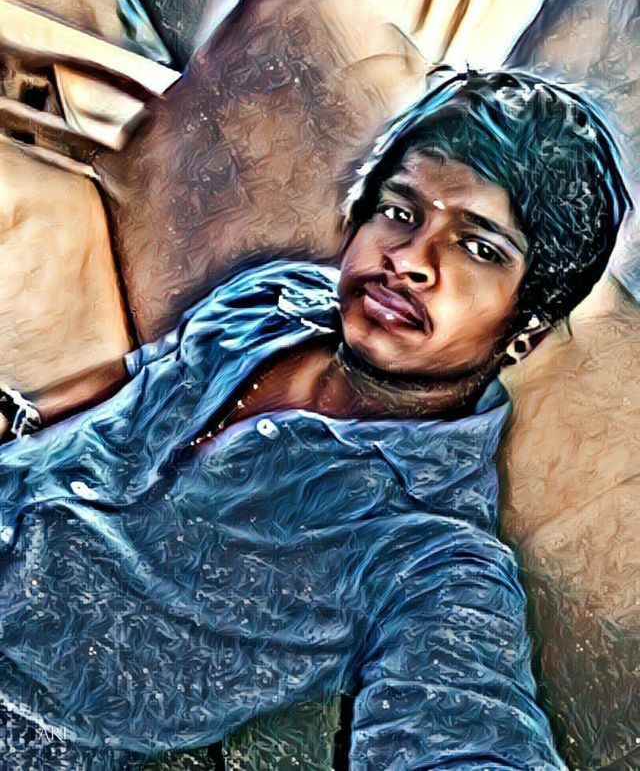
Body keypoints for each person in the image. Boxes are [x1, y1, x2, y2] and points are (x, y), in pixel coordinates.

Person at [0, 70, 631, 770]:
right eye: (400, 211)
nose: (408, 260)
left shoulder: (432, 552)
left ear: (527, 328)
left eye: (478, 248)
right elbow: (140, 387)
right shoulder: (276, 299)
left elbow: (469, 728)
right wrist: (24, 416)